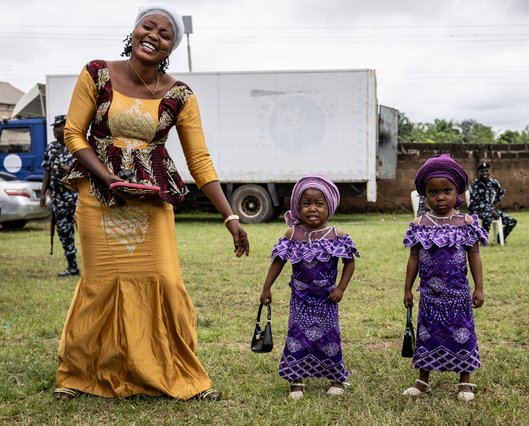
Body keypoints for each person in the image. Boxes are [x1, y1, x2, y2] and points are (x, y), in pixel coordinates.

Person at [52, 4, 249, 401]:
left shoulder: (179, 95)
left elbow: (200, 160)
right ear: (134, 30)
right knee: (100, 285)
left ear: (171, 46)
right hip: (98, 198)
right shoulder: (97, 73)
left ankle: (172, 372)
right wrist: (107, 177)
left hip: (151, 201)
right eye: (148, 26)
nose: (154, 35)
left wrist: (229, 216)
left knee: (164, 282)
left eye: (165, 34)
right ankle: (80, 375)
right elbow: (75, 134)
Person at [259, 175, 359, 400]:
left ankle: (336, 378)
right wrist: (267, 288)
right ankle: (296, 380)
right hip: (300, 299)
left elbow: (350, 263)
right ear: (298, 207)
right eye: (306, 204)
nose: (312, 209)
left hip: (327, 299)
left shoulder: (337, 235)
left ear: (329, 207)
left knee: (329, 338)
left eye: (319, 204)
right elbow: (278, 261)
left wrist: (341, 288)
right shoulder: (293, 234)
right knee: (297, 337)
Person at [402, 154, 487, 402]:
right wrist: (407, 289)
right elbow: (414, 259)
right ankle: (423, 380)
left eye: (446, 190)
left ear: (457, 191)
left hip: (458, 294)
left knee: (463, 334)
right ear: (425, 195)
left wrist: (479, 288)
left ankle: (465, 381)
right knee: (427, 335)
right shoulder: (420, 224)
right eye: (432, 192)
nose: (440, 197)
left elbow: (475, 255)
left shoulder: (466, 222)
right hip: (429, 294)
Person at [40, 115, 79, 277]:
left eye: (58, 126)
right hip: (58, 197)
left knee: (86, 231)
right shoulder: (51, 148)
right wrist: (43, 193)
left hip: (77, 195)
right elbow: (47, 171)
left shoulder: (77, 145)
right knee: (64, 231)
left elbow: (87, 171)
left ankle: (95, 268)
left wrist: (69, 171)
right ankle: (72, 267)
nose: (55, 129)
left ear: (66, 126)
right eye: (54, 126)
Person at [468, 162, 517, 243]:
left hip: (491, 210)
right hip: (477, 210)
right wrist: (490, 210)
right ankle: (484, 240)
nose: (485, 173)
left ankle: (499, 239)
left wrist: (494, 202)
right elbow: (476, 202)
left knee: (512, 221)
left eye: (486, 171)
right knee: (488, 216)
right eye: (482, 171)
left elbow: (501, 191)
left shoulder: (493, 182)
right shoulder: (474, 185)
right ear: (478, 172)